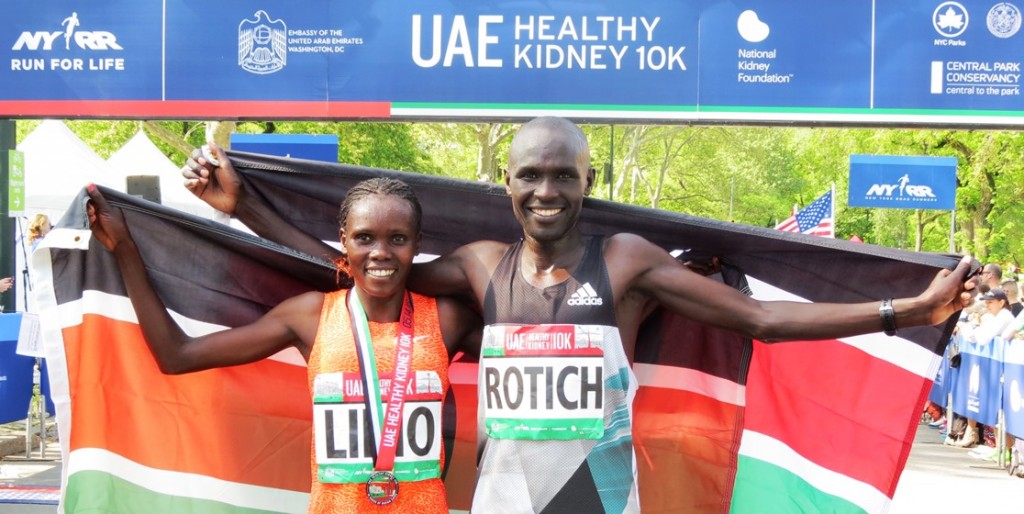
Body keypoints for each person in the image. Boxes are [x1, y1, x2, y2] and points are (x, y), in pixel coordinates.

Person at [184, 116, 975, 513]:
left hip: (599, 497)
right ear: (507, 181)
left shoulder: (626, 260)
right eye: (531, 175)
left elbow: (757, 321)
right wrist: (244, 206)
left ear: (587, 180)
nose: (547, 192)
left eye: (564, 176)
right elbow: (364, 272)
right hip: (500, 498)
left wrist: (904, 310)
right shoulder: (480, 264)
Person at [86, 178, 481, 513]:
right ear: (344, 241)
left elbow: (517, 338)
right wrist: (125, 250)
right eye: (364, 238)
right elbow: (177, 356)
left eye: (398, 238)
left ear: (417, 244)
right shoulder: (309, 316)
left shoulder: (446, 319)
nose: (380, 253)